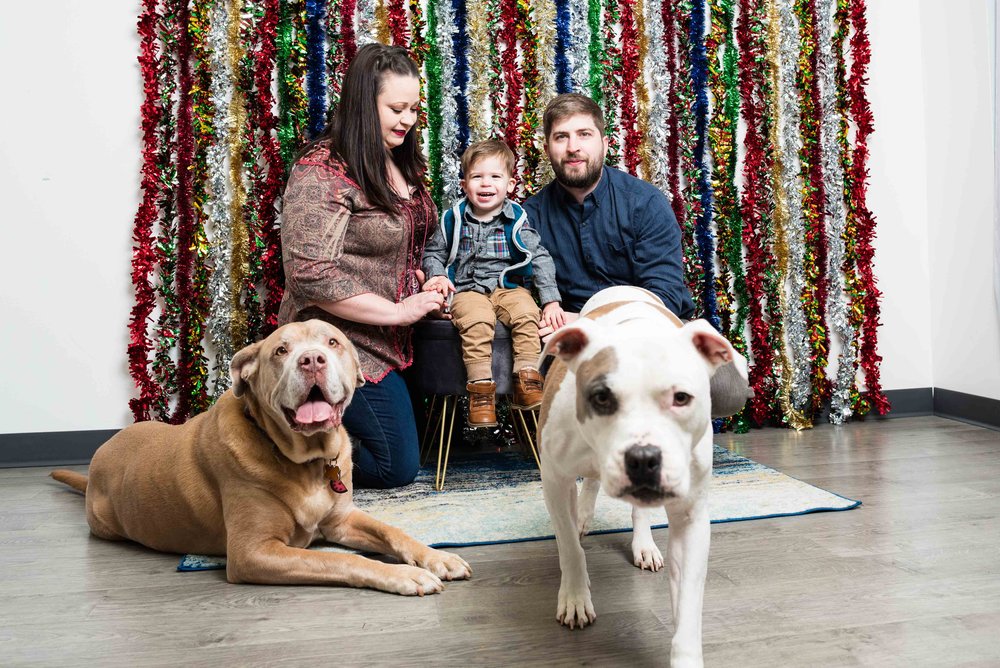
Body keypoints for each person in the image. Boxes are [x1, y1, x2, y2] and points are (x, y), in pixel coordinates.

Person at [278, 43, 446, 488]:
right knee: (396, 466)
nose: (408, 120)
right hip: (341, 337)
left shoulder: (399, 160)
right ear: (362, 103)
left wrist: (431, 274)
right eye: (396, 108)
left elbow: (424, 236)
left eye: (413, 108)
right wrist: (397, 310)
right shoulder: (322, 169)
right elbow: (308, 272)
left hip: (397, 339)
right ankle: (278, 448)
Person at [523, 93, 751, 417]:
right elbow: (518, 289)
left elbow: (666, 297)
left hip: (650, 329)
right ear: (547, 148)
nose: (573, 147)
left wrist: (593, 320)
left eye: (584, 135)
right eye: (562, 137)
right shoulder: (529, 216)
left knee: (728, 390)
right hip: (575, 340)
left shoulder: (644, 203)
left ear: (604, 143)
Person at [421, 140, 565, 427]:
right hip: (466, 288)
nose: (486, 184)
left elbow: (540, 257)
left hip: (507, 287)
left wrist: (551, 300)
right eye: (477, 177)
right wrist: (436, 275)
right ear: (464, 184)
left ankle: (527, 378)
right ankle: (481, 392)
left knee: (527, 313)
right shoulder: (453, 219)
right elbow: (433, 252)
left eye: (495, 177)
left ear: (510, 184)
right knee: (477, 320)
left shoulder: (518, 219)